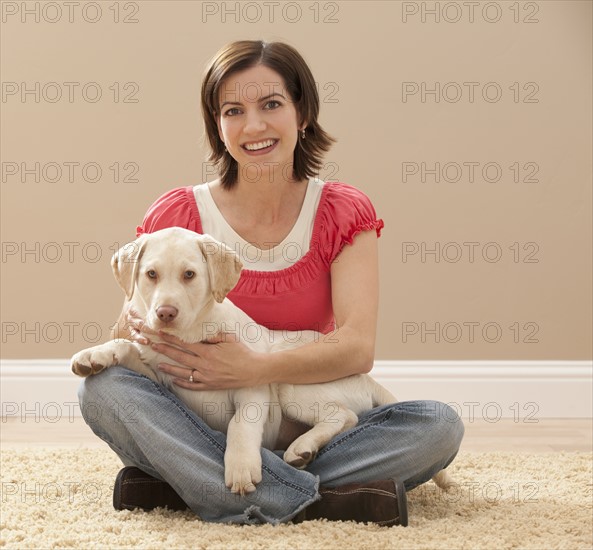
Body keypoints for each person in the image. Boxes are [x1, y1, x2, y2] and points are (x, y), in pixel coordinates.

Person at [78, 40, 464, 527]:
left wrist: (254, 368)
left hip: (306, 409)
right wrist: (134, 323)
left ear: (302, 113)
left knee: (437, 425)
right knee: (102, 389)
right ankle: (322, 496)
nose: (254, 126)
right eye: (233, 110)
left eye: (272, 104)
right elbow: (124, 341)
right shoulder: (177, 216)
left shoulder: (341, 212)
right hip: (200, 420)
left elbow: (357, 349)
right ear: (218, 126)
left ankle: (200, 486)